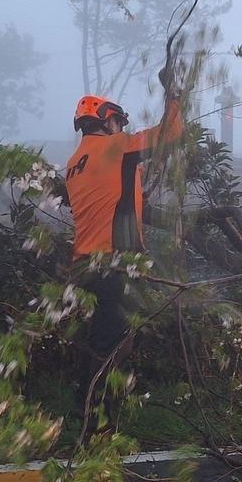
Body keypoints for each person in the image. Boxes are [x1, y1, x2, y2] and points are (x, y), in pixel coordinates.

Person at [64, 90, 184, 428]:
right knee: (109, 338)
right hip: (114, 262)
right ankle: (92, 414)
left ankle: (106, 402)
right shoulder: (116, 149)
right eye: (117, 121)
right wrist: (174, 96)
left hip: (84, 264)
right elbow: (170, 135)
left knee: (106, 333)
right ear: (105, 119)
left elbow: (110, 196)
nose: (120, 128)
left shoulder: (75, 164)